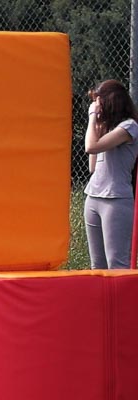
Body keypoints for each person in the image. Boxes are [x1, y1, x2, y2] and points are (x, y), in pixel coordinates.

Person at [84, 79, 138, 269]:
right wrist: (98, 126)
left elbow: (90, 147)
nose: (96, 107)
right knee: (97, 266)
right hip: (93, 197)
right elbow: (92, 167)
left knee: (117, 264)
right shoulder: (107, 128)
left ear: (111, 102)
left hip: (116, 200)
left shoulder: (129, 127)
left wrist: (92, 117)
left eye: (98, 102)